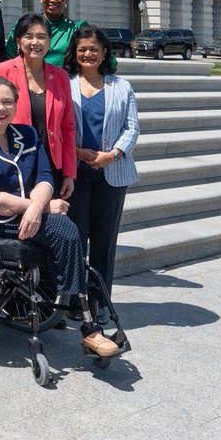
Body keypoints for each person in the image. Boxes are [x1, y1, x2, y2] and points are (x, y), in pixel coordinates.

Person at [0, 76, 120, 360]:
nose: (1, 108)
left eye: (7, 102)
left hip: (27, 213)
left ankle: (75, 308)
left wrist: (36, 208)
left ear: (16, 104)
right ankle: (87, 325)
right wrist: (41, 208)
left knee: (65, 229)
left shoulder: (28, 135)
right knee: (64, 229)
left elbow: (45, 176)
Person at [65, 26, 140, 319]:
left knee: (104, 240)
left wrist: (113, 154)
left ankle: (99, 301)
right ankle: (73, 301)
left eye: (93, 49)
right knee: (75, 237)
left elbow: (132, 127)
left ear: (104, 52)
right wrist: (77, 151)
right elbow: (57, 127)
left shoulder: (122, 86)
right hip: (77, 174)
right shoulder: (65, 84)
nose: (87, 54)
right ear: (75, 52)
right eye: (82, 49)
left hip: (113, 173)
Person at [0, 13, 76, 200]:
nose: (35, 42)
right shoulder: (2, 70)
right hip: (14, 162)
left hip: (51, 163)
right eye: (28, 36)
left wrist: (69, 173)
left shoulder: (61, 76)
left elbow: (68, 127)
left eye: (41, 36)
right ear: (18, 40)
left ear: (49, 40)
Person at [5, 0, 84, 67]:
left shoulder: (76, 29)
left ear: (66, 2)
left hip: (62, 79)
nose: (53, 0)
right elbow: (10, 56)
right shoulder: (23, 25)